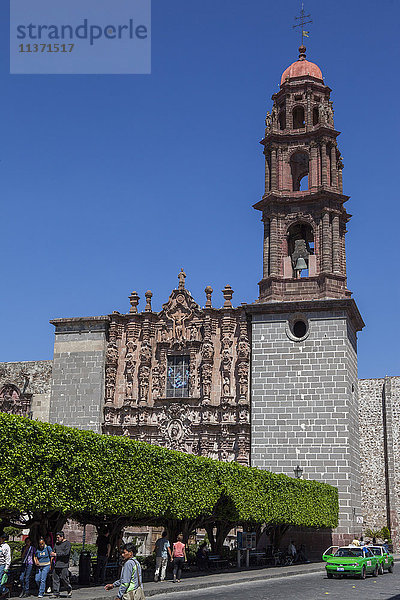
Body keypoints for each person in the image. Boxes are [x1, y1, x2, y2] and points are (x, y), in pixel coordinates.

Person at [50, 532, 72, 598]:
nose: (57, 539)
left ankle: (68, 588)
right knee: (55, 578)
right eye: (56, 537)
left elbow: (66, 553)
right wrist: (52, 554)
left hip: (64, 564)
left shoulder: (67, 544)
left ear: (62, 537)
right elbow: (54, 551)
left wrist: (57, 554)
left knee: (64, 578)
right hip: (57, 564)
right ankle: (56, 592)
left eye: (58, 537)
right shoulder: (57, 544)